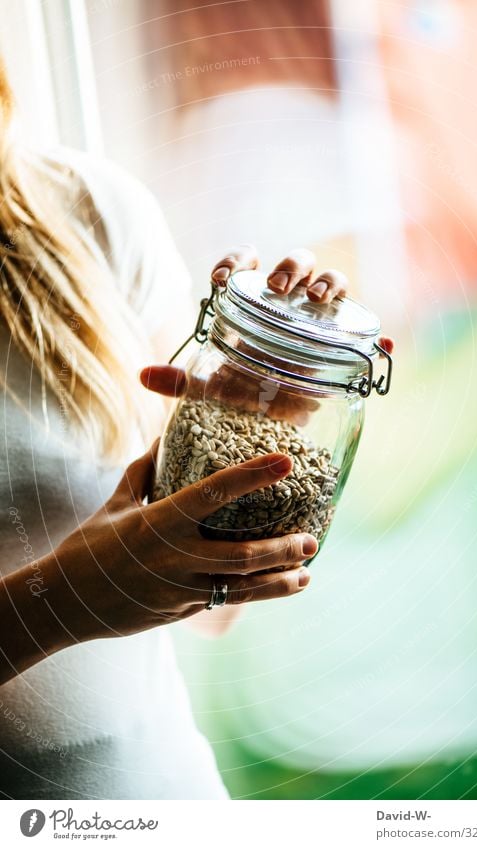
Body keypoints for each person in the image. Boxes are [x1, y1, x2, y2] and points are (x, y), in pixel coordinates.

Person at [0, 59, 356, 799]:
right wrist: (63, 599)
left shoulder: (88, 214)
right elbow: (96, 591)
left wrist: (239, 421)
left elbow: (205, 607)